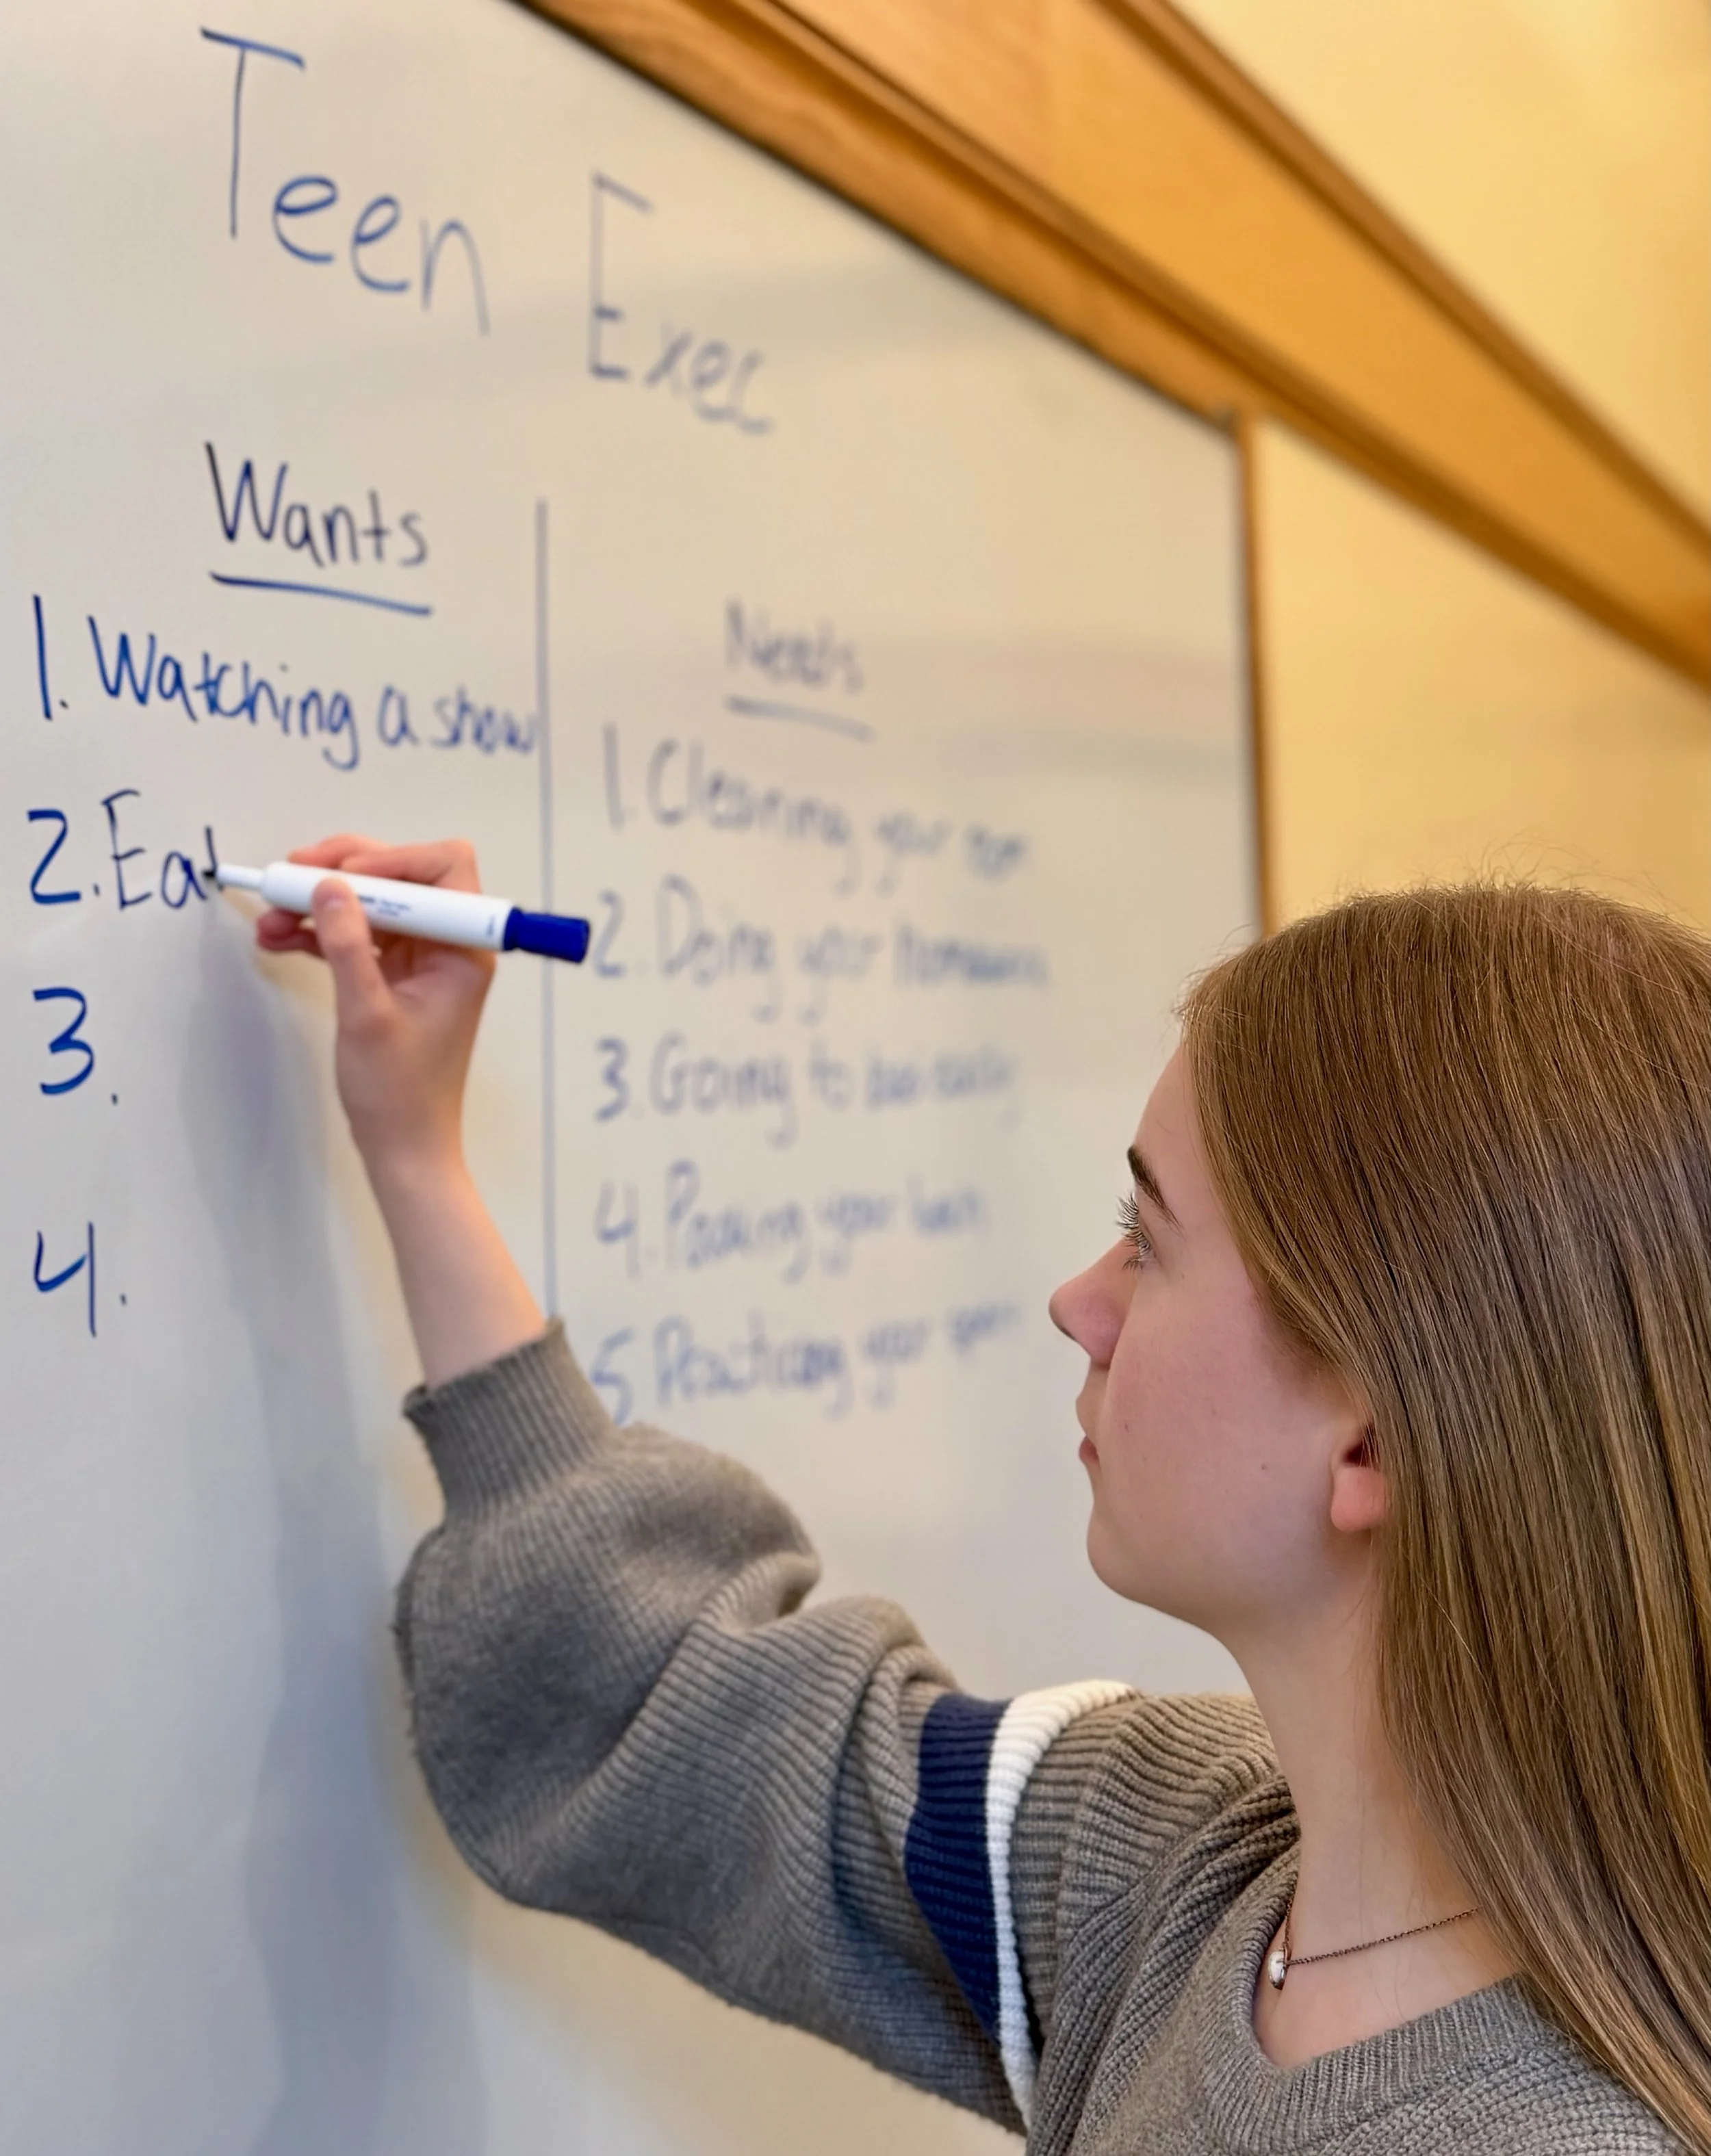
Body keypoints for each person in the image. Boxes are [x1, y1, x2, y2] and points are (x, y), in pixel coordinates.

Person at [257, 835, 1710, 2153]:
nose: (1077, 1303)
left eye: (1145, 1242)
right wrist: (414, 1155)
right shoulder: (1178, 1871)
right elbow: (679, 1709)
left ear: (1370, 1451)